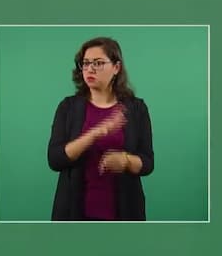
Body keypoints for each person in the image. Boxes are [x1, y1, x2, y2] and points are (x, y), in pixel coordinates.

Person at [47, 36, 154, 221]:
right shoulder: (68, 107)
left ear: (116, 67)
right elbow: (55, 159)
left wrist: (126, 160)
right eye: (86, 63)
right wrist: (96, 133)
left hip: (125, 214)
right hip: (74, 214)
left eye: (98, 63)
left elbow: (148, 163)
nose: (90, 69)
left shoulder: (136, 109)